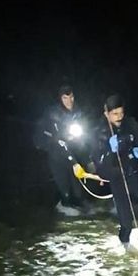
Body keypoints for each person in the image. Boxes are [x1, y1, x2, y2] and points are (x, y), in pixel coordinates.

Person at [90, 94, 138, 247]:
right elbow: (99, 166)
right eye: (115, 114)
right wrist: (109, 151)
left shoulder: (130, 124)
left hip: (133, 172)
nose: (119, 117)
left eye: (121, 113)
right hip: (116, 177)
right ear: (106, 114)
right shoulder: (99, 131)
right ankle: (126, 251)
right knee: (126, 224)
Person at [33, 85, 90, 216]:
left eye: (71, 97)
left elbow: (84, 135)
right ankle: (63, 206)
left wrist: (87, 159)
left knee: (77, 185)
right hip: (56, 152)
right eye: (65, 98)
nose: (69, 101)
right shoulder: (53, 113)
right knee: (63, 184)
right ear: (60, 99)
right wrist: (73, 160)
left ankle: (78, 202)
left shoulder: (78, 112)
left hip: (72, 149)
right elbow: (57, 139)